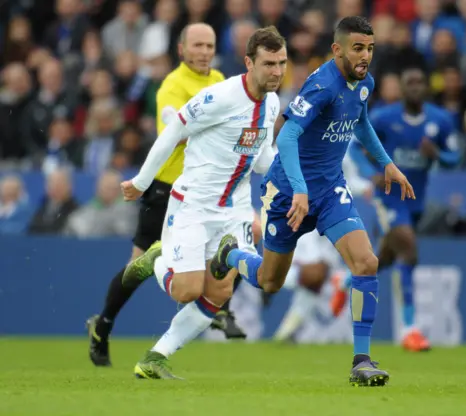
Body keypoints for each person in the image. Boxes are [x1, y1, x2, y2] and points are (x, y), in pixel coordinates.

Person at [209, 16, 415, 387]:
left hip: (330, 191)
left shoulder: (363, 82)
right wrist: (300, 189)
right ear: (337, 49)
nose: (365, 55)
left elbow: (361, 123)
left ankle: (362, 360)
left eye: (369, 48)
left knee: (366, 261)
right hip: (289, 191)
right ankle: (230, 256)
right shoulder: (322, 85)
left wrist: (388, 165)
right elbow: (286, 137)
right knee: (270, 280)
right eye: (357, 48)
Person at [118, 26, 287, 379]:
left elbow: (260, 160)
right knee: (188, 288)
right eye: (269, 64)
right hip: (193, 205)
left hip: (235, 210)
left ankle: (155, 357)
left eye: (282, 63)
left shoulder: (272, 103)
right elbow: (173, 131)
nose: (277, 72)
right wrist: (141, 182)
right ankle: (158, 258)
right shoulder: (220, 97)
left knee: (220, 290)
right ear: (249, 62)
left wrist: (292, 175)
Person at [86, 23, 245, 368]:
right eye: (197, 45)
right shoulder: (171, 87)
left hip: (207, 191)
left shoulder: (220, 80)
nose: (204, 51)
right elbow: (178, 131)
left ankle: (221, 310)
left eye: (210, 45)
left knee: (233, 244)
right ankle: (104, 324)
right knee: (138, 265)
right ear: (181, 50)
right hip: (167, 189)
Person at [332, 66, 460, 352]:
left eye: (419, 81)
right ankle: (410, 329)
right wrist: (371, 173)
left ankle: (345, 281)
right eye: (409, 82)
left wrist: (437, 154)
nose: (414, 87)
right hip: (388, 197)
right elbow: (354, 148)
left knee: (384, 258)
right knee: (409, 252)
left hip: (416, 200)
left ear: (426, 88)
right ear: (401, 89)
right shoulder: (384, 118)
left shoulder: (440, 121)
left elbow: (456, 156)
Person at [273, 153, 373, 342]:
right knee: (309, 273)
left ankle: (286, 332)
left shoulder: (342, 147)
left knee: (316, 278)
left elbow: (349, 181)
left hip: (329, 218)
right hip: (300, 215)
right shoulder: (296, 136)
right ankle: (259, 277)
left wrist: (367, 187)